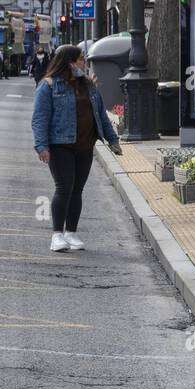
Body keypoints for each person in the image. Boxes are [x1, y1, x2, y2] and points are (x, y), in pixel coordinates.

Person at [31, 45, 121, 252]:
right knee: (64, 188)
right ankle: (57, 235)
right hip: (60, 145)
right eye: (81, 59)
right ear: (70, 63)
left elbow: (101, 114)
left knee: (77, 190)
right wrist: (42, 146)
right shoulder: (49, 86)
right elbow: (39, 119)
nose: (85, 63)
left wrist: (112, 139)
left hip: (85, 145)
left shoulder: (87, 86)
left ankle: (71, 232)